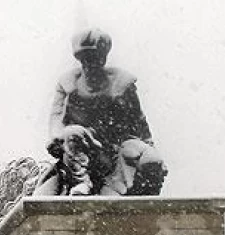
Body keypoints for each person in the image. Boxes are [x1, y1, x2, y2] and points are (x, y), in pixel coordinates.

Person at [44, 27, 168, 196]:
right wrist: (58, 141)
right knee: (73, 133)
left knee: (151, 161)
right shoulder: (68, 84)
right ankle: (82, 183)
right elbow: (56, 122)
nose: (90, 64)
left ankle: (123, 194)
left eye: (95, 59)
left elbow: (140, 125)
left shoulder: (122, 84)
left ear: (103, 59)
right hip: (82, 149)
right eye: (85, 59)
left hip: (117, 149)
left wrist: (151, 150)